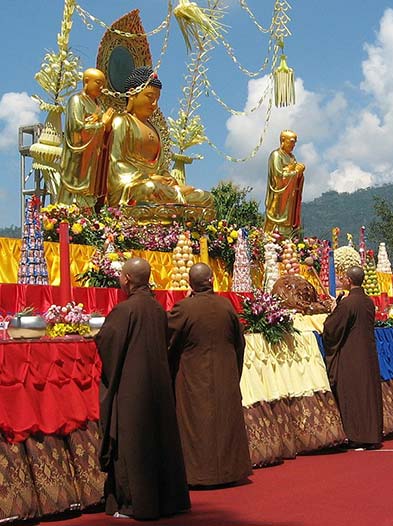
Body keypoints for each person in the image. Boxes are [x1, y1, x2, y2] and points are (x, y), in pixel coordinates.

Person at [95, 258, 190, 519]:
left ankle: (134, 504)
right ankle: (165, 500)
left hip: (132, 387)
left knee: (131, 444)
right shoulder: (157, 309)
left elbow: (106, 341)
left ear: (126, 279)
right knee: (158, 441)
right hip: (157, 385)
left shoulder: (124, 311)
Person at [167, 263, 252, 486]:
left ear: (189, 283)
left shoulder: (183, 309)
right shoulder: (226, 306)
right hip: (225, 373)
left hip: (194, 377)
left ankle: (198, 475)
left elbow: (167, 341)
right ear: (212, 280)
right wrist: (234, 372)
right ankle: (230, 471)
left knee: (197, 424)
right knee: (225, 421)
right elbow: (239, 344)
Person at [105, 66, 213, 208]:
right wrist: (149, 178)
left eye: (157, 99)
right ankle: (176, 199)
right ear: (132, 94)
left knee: (206, 197)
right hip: (132, 187)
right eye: (150, 97)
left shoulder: (155, 129)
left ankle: (175, 198)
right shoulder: (122, 122)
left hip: (160, 188)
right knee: (150, 189)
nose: (154, 104)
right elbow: (116, 164)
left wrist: (170, 180)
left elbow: (161, 168)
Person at [323, 266, 383, 448]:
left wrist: (334, 310)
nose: (341, 281)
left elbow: (332, 329)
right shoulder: (367, 301)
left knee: (354, 394)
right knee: (367, 395)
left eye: (343, 278)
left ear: (349, 280)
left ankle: (359, 436)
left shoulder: (349, 303)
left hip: (351, 355)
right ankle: (372, 435)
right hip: (367, 354)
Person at [58, 68, 115, 207]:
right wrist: (102, 124)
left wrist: (108, 127)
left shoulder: (98, 105)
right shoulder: (77, 100)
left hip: (94, 157)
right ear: (86, 81)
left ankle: (88, 212)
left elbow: (105, 133)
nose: (101, 88)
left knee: (90, 194)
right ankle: (69, 214)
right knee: (74, 196)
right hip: (78, 157)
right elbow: (77, 130)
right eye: (98, 83)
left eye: (103, 84)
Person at [264, 130, 305, 237]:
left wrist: (299, 174)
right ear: (283, 140)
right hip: (279, 196)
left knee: (288, 223)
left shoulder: (291, 157)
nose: (293, 145)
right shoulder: (276, 155)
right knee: (275, 220)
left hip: (289, 197)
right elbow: (278, 176)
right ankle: (270, 238)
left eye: (295, 143)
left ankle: (288, 237)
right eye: (291, 142)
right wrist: (295, 171)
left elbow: (294, 177)